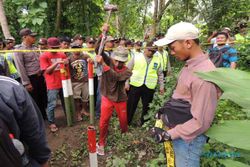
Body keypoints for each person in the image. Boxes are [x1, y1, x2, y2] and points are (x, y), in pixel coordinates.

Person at [151, 22, 221, 167]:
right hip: (180, 132)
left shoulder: (204, 76)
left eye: (172, 47)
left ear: (188, 43)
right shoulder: (190, 65)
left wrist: (169, 135)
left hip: (189, 141)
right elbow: (182, 96)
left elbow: (200, 122)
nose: (171, 52)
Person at [0, 76, 51, 167]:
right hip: (18, 158)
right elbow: (34, 131)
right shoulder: (10, 87)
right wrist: (43, 158)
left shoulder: (9, 88)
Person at [96, 46, 132, 156]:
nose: (117, 63)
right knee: (103, 121)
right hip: (107, 97)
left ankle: (124, 137)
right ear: (113, 58)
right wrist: (103, 34)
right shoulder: (109, 61)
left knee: (123, 121)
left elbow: (115, 77)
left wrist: (103, 64)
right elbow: (98, 49)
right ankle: (101, 142)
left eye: (121, 61)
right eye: (116, 60)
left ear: (125, 61)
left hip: (120, 99)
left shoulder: (127, 71)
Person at [126, 41, 165, 126]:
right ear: (145, 48)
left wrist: (162, 86)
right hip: (135, 85)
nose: (151, 53)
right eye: (150, 50)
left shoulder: (157, 60)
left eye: (154, 51)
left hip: (149, 87)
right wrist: (126, 82)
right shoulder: (136, 57)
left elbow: (160, 74)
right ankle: (127, 122)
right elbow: (127, 70)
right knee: (131, 105)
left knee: (146, 107)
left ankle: (143, 123)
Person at [14, 28, 47, 120]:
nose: (34, 38)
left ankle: (44, 116)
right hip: (31, 78)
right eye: (31, 36)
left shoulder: (35, 48)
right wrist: (26, 83)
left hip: (40, 77)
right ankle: (36, 119)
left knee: (43, 98)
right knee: (34, 100)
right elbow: (20, 67)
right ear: (24, 37)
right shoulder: (19, 50)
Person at [40, 37, 67, 132]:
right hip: (52, 83)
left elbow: (66, 67)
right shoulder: (44, 56)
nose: (55, 49)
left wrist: (66, 63)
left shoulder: (62, 54)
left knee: (66, 101)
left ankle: (69, 118)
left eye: (57, 47)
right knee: (52, 104)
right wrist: (57, 63)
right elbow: (47, 71)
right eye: (53, 47)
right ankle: (51, 122)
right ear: (48, 46)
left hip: (63, 82)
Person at [69, 43, 90, 121]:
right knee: (76, 99)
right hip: (75, 82)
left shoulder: (85, 56)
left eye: (78, 48)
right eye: (74, 48)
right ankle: (78, 113)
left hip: (84, 81)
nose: (76, 50)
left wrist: (90, 60)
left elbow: (92, 62)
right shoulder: (69, 58)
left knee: (85, 98)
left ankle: (84, 110)